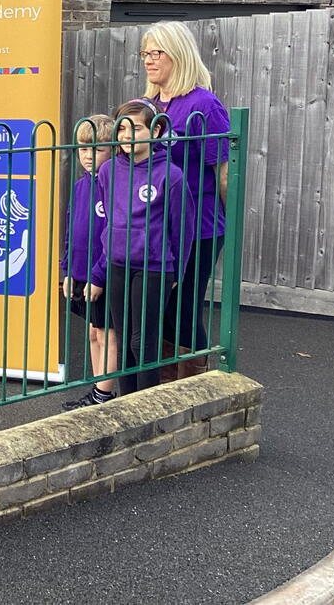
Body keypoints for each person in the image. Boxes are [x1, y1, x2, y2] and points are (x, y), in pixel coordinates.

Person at [140, 21, 232, 379]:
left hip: (198, 225)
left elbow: (223, 172)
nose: (149, 60)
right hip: (156, 224)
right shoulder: (147, 106)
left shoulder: (203, 105)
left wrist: (226, 220)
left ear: (178, 55)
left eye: (156, 52)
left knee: (183, 308)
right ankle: (166, 384)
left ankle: (193, 385)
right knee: (159, 306)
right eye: (145, 53)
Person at [90, 99, 196, 396]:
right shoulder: (108, 170)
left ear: (156, 130)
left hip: (153, 267)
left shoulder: (171, 176)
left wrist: (176, 272)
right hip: (117, 265)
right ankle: (127, 404)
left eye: (135, 128)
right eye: (121, 128)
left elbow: (183, 230)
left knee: (143, 342)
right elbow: (109, 219)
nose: (126, 136)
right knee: (124, 340)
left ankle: (146, 405)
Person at [59, 114, 120, 410]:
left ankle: (103, 394)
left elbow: (114, 235)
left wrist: (99, 275)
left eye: (97, 149)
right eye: (83, 148)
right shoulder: (80, 186)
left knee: (107, 334)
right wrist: (67, 270)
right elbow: (71, 230)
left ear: (114, 150)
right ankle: (98, 390)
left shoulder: (114, 185)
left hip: (103, 274)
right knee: (93, 333)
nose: (88, 156)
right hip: (82, 273)